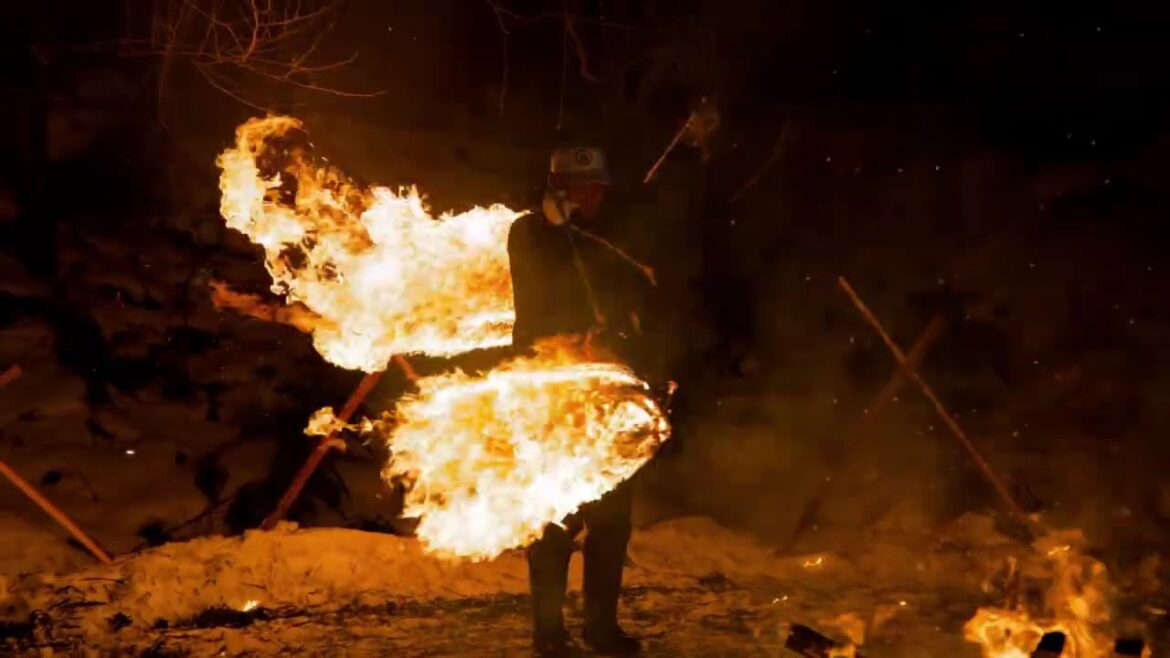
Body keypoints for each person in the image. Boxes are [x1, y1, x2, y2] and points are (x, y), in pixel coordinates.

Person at [508, 146, 650, 657]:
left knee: (611, 520)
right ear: (562, 189)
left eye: (601, 190)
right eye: (589, 190)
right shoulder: (529, 233)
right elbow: (538, 292)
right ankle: (549, 634)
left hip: (607, 393)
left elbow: (627, 293)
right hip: (552, 396)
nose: (599, 198)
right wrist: (555, 220)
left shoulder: (602, 235)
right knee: (555, 521)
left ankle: (600, 628)